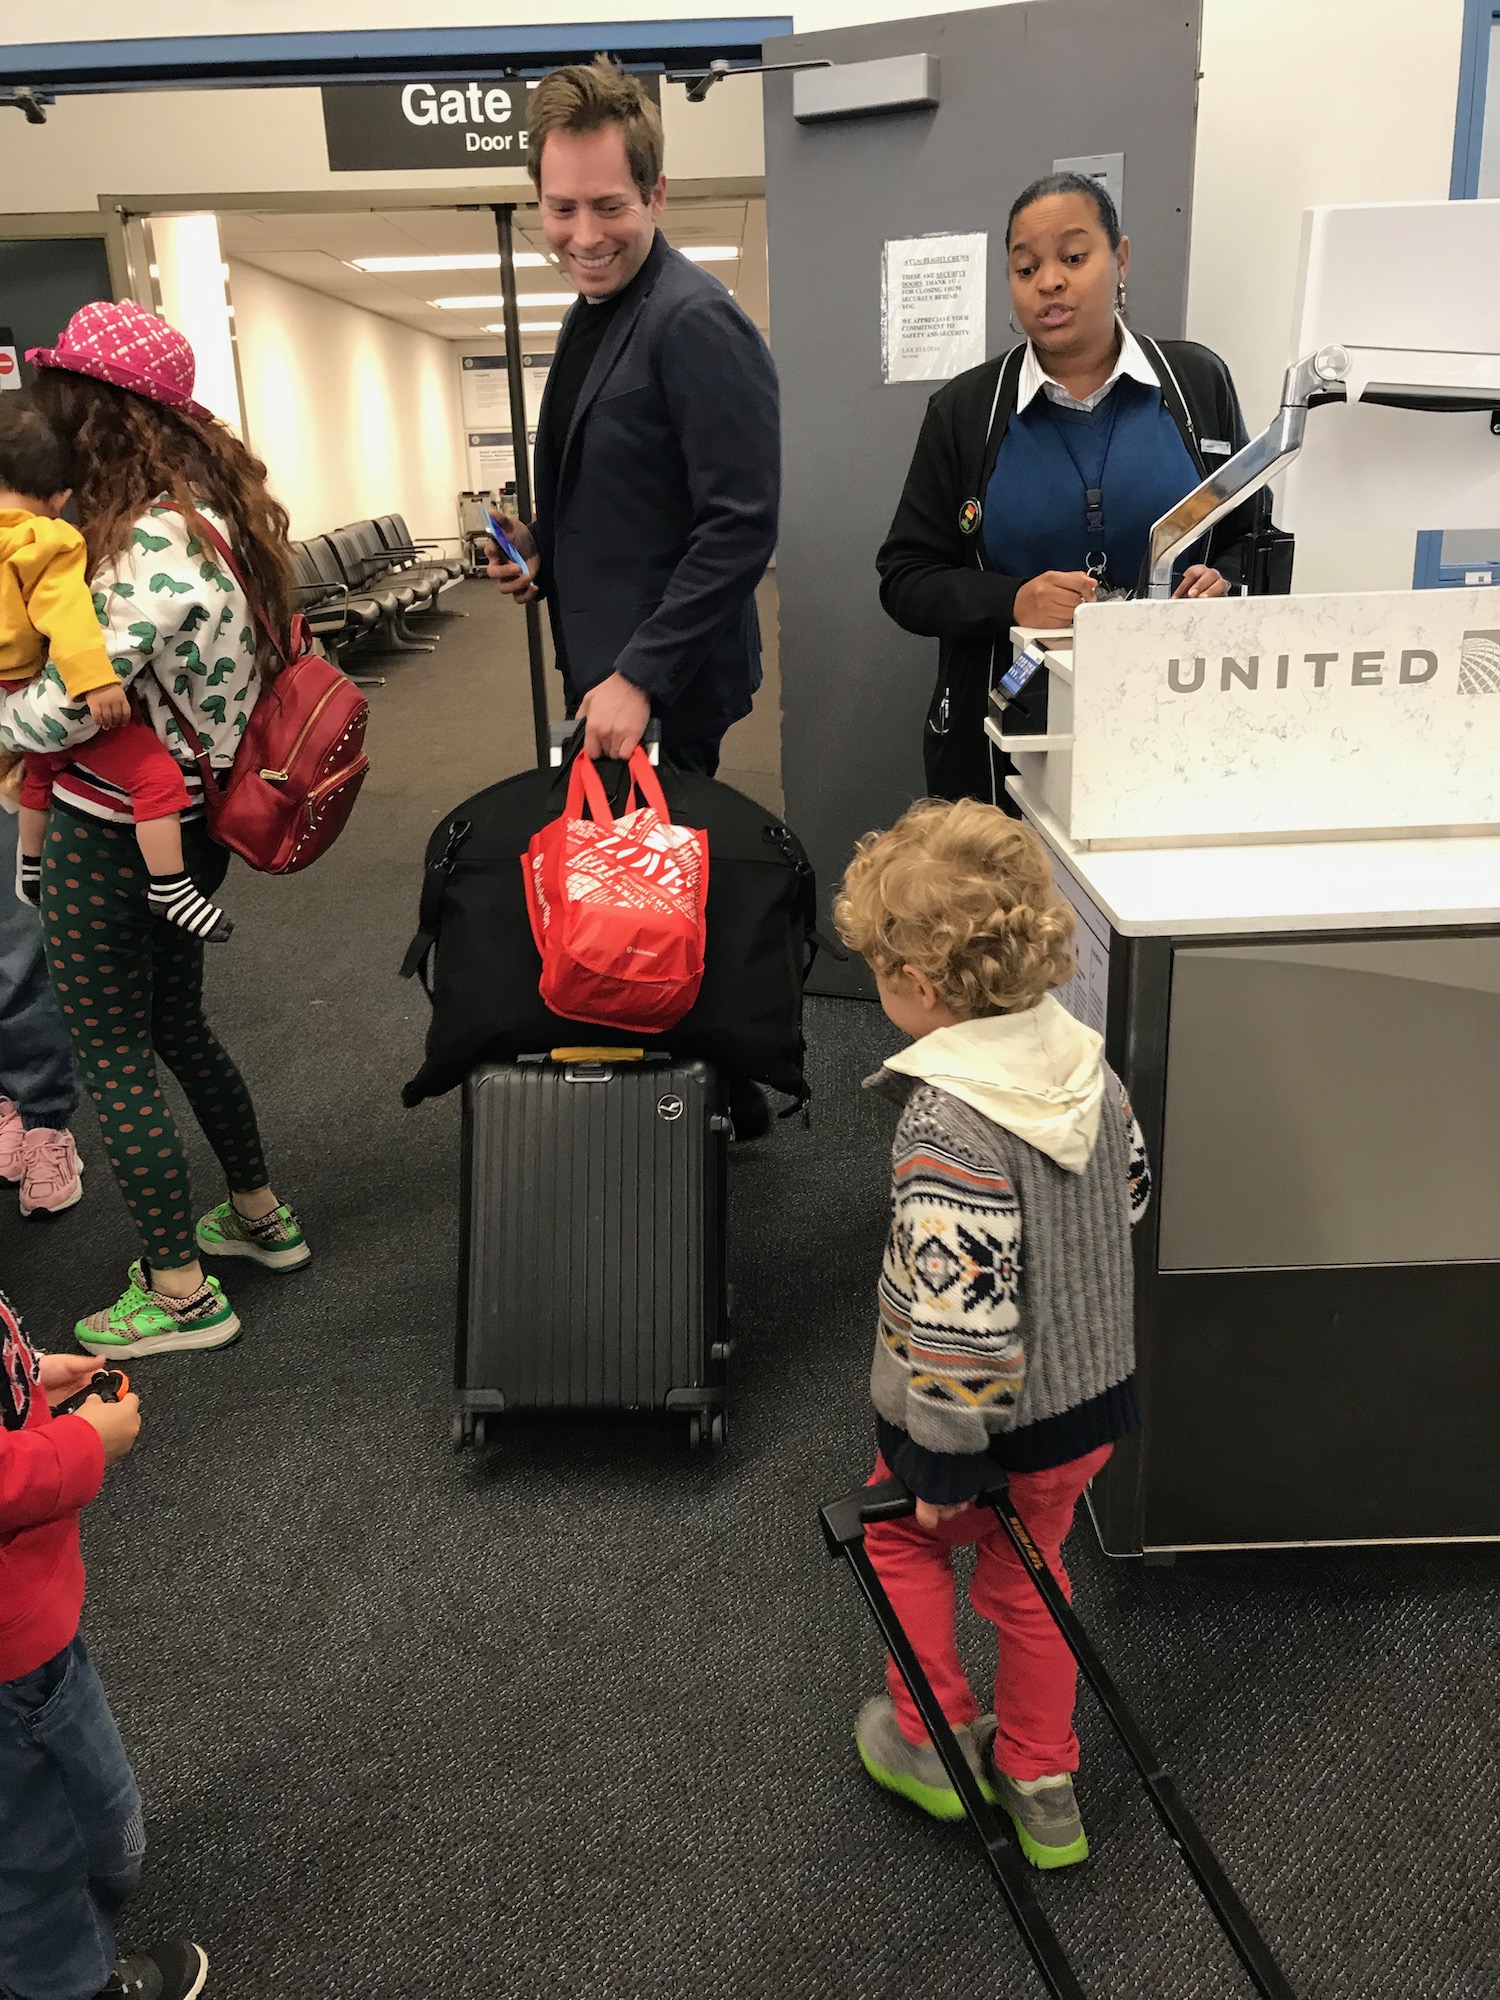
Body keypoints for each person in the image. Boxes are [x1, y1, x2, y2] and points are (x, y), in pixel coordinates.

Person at [831, 798, 1150, 1868]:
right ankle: (1041, 1771)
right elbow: (1134, 1195)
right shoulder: (1087, 1068)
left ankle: (928, 1741)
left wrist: (941, 1453)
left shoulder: (946, 1121)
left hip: (983, 1422)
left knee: (903, 1539)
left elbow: (961, 1324)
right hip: (1090, 1402)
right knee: (1033, 1571)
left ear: (919, 989)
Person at [0, 300, 310, 1354]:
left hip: (107, 827)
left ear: (97, 414)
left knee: (112, 1047)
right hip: (194, 821)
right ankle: (257, 1215)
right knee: (179, 1024)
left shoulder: (140, 550)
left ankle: (178, 1289)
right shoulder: (220, 521)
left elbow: (70, 707)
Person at [878, 171, 1265, 808]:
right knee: (1010, 903)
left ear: (1121, 261)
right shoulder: (966, 409)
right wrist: (1013, 601)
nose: (1049, 282)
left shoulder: (1197, 384)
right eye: (1026, 268)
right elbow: (905, 578)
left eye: (1074, 257)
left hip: (1178, 718)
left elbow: (1252, 537)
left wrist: (1224, 581)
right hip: (1009, 734)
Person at [488, 57, 781, 778]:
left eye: (608, 205)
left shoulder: (694, 320)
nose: (584, 236)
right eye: (562, 208)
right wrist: (539, 547)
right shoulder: (588, 316)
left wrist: (642, 675)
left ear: (656, 196)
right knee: (610, 883)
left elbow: (740, 524)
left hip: (659, 689)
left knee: (652, 887)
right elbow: (629, 495)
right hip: (605, 674)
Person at [0, 1284, 209, 1999]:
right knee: (45, 1851)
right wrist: (79, 1446)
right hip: (13, 1658)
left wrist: (26, 1383)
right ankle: (72, 1986)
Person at [0, 396, 233, 944]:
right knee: (155, 777)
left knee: (39, 769)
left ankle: (28, 864)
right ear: (59, 496)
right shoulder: (46, 540)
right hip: (36, 686)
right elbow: (68, 615)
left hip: (8, 682)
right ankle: (170, 885)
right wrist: (95, 680)